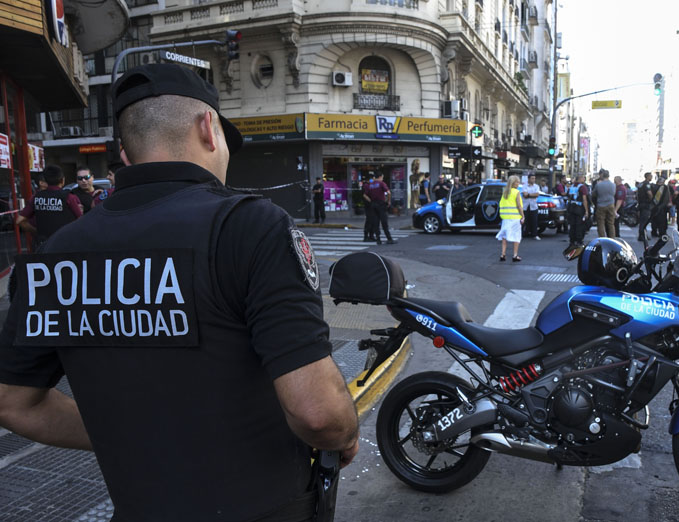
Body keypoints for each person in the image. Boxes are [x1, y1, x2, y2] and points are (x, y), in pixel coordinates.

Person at [0, 63, 359, 522]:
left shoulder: (56, 253)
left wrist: (128, 433)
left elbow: (13, 401)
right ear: (209, 129)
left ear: (127, 156)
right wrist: (344, 436)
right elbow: (318, 414)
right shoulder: (250, 226)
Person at [15, 164, 83, 243]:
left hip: (44, 244)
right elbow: (81, 221)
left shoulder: (36, 197)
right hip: (65, 243)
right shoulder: (70, 197)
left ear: (46, 181)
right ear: (62, 180)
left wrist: (37, 232)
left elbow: (19, 221)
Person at [363, 171, 396, 245]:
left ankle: (378, 239)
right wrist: (388, 201)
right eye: (382, 177)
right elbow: (389, 193)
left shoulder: (370, 185)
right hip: (381, 204)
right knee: (384, 222)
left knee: (376, 222)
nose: (382, 178)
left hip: (373, 204)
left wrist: (371, 201)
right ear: (380, 176)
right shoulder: (381, 183)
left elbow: (365, 195)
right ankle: (389, 238)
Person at [496, 175, 524, 262]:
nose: (518, 184)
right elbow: (519, 206)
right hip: (515, 218)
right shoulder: (516, 192)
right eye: (517, 182)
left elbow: (501, 204)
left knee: (504, 236)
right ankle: (515, 255)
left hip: (505, 218)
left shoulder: (505, 192)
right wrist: (523, 216)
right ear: (513, 183)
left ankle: (503, 254)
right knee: (516, 236)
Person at [567, 173, 590, 247]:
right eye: (583, 177)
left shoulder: (572, 186)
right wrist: (586, 211)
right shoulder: (582, 187)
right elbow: (584, 199)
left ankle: (572, 240)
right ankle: (579, 240)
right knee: (579, 225)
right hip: (579, 208)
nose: (584, 179)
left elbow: (569, 197)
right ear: (580, 179)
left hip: (571, 207)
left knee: (572, 224)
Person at [593, 169, 616, 238]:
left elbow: (593, 194)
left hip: (601, 205)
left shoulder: (598, 185)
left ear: (602, 175)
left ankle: (602, 238)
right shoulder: (613, 185)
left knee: (600, 223)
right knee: (611, 223)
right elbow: (614, 194)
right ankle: (612, 238)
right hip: (611, 205)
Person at [520, 174, 541, 240]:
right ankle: (520, 235)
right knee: (523, 221)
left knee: (534, 221)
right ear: (528, 179)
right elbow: (525, 195)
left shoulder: (536, 186)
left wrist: (529, 194)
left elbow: (537, 194)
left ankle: (535, 235)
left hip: (533, 206)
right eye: (532, 178)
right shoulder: (524, 186)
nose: (533, 180)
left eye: (534, 178)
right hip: (525, 206)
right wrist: (532, 195)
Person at [637, 172, 654, 241]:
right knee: (644, 220)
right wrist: (652, 200)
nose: (651, 177)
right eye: (651, 176)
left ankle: (642, 234)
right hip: (646, 204)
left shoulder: (640, 184)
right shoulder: (647, 184)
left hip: (641, 203)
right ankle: (642, 235)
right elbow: (649, 193)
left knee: (642, 220)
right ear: (648, 176)